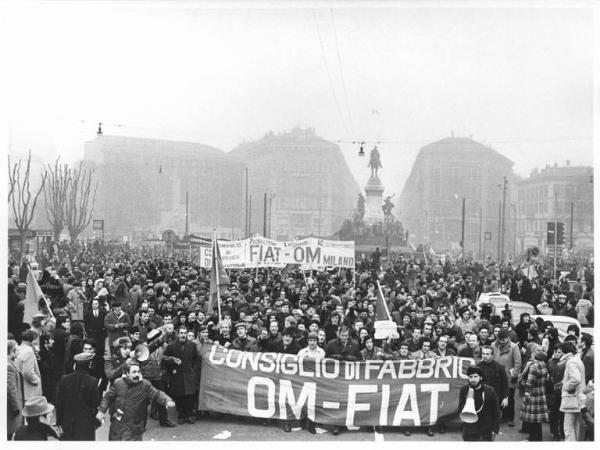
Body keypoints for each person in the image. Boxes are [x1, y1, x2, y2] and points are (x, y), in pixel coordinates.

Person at [96, 361, 175, 441]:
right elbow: (107, 397)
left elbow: (157, 394)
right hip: (118, 421)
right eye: (134, 372)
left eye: (138, 372)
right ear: (127, 373)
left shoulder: (145, 385)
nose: (137, 374)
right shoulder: (118, 383)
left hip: (134, 424)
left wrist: (167, 400)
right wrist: (101, 411)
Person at [55, 352, 101, 440]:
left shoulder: (64, 379)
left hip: (67, 423)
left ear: (75, 364)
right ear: (89, 364)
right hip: (85, 425)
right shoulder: (92, 381)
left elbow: (59, 404)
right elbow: (95, 405)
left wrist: (59, 423)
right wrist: (96, 422)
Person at [163, 325, 201, 425]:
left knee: (190, 396)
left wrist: (194, 370)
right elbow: (166, 359)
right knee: (179, 396)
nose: (183, 335)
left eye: (185, 333)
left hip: (189, 373)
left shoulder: (192, 345)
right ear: (178, 333)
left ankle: (190, 414)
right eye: (181, 333)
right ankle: (181, 415)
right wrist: (172, 371)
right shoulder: (171, 346)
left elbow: (197, 359)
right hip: (177, 374)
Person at [457, 365, 501, 441]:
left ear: (481, 377)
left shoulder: (490, 391)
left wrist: (495, 430)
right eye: (470, 377)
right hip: (469, 429)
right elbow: (460, 407)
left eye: (475, 377)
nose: (473, 379)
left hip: (485, 430)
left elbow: (496, 412)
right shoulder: (464, 390)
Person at [492, 328, 521, 426]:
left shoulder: (513, 347)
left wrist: (515, 375)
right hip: (496, 376)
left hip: (509, 376)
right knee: (498, 397)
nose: (501, 341)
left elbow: (517, 362)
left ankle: (510, 418)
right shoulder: (493, 345)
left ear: (507, 338)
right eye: (499, 339)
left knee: (510, 398)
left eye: (503, 339)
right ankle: (502, 417)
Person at [519, 348, 549, 441]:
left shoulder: (533, 366)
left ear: (535, 357)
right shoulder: (544, 365)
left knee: (532, 417)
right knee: (538, 419)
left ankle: (532, 438)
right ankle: (539, 437)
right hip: (541, 391)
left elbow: (530, 383)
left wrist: (523, 383)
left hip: (533, 393)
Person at [559, 340, 586, 441]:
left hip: (571, 399)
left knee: (569, 429)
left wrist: (566, 386)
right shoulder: (578, 360)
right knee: (576, 428)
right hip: (579, 399)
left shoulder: (571, 362)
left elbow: (576, 379)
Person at [16, 330, 43, 401]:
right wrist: (37, 380)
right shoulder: (29, 352)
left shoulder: (19, 349)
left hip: (22, 388)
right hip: (30, 389)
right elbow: (27, 372)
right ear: (33, 339)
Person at [546, 343, 566, 440]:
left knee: (561, 413)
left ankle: (561, 431)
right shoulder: (550, 361)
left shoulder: (565, 362)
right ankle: (555, 432)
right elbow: (548, 376)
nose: (557, 354)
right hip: (553, 391)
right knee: (553, 413)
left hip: (562, 390)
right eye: (555, 352)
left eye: (559, 352)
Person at [7, 339, 24, 440]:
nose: (18, 353)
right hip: (12, 410)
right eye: (16, 350)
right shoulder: (9, 367)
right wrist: (16, 409)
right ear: (12, 351)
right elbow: (10, 388)